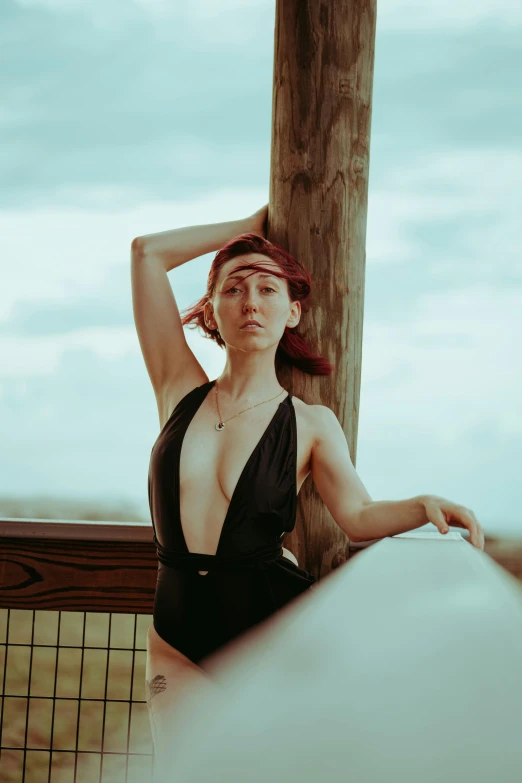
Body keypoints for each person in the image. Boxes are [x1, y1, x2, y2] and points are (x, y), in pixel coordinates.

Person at [130, 204, 485, 758]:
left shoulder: (310, 423)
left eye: (268, 290)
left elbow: (359, 515)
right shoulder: (177, 390)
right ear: (212, 312)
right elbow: (146, 253)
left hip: (269, 636)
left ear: (292, 313)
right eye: (234, 289)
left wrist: (422, 504)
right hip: (176, 638)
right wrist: (248, 229)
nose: (250, 302)